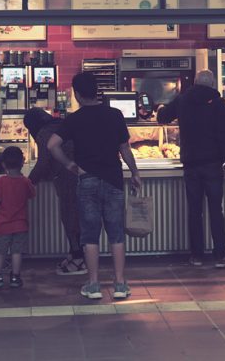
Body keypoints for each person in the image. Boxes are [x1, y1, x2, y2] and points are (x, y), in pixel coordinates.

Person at [48, 72, 141, 300]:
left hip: (87, 180)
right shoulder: (115, 114)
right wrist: (135, 172)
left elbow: (52, 145)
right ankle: (120, 284)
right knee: (116, 234)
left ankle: (93, 285)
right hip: (113, 180)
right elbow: (125, 149)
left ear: (77, 94)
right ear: (97, 91)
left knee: (90, 235)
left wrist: (70, 165)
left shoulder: (74, 119)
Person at [156, 69, 225, 269]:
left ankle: (197, 256)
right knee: (216, 210)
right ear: (213, 83)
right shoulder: (219, 103)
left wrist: (160, 107)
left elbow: (162, 117)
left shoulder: (183, 100)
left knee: (194, 211)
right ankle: (220, 256)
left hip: (191, 164)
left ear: (195, 82)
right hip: (213, 164)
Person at [23, 107, 86, 276]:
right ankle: (74, 254)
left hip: (67, 178)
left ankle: (78, 259)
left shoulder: (44, 133)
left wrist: (28, 183)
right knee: (75, 216)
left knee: (69, 216)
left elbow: (43, 163)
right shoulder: (62, 124)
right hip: (81, 174)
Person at [0, 146, 37, 289]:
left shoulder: (1, 181)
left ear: (4, 164)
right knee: (17, 251)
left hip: (3, 224)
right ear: (22, 162)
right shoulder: (25, 181)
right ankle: (15, 277)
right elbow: (32, 194)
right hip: (21, 224)